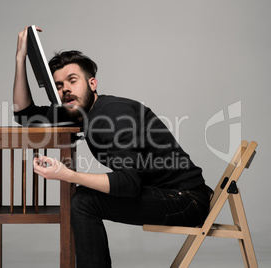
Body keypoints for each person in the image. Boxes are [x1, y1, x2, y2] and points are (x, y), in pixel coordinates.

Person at [13, 26, 213, 268]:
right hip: (173, 194)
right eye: (58, 85)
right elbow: (24, 115)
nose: (65, 89)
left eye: (72, 80)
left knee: (83, 201)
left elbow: (128, 183)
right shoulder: (80, 113)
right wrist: (20, 58)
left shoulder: (109, 117)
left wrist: (66, 175)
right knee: (82, 198)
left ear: (92, 83)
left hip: (186, 201)